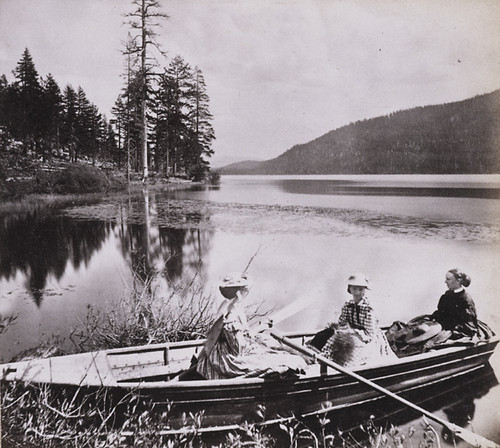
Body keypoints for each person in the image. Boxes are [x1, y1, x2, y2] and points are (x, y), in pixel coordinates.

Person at [195, 272, 307, 380]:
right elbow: (238, 349)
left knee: (278, 352)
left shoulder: (230, 305)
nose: (247, 292)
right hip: (228, 360)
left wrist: (256, 331)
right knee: (290, 361)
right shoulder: (232, 317)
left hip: (225, 351)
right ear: (239, 292)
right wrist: (254, 338)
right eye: (244, 289)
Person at [319, 273, 396, 368]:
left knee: (354, 353)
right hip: (349, 334)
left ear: (364, 290)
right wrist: (341, 327)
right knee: (329, 341)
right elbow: (342, 321)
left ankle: (347, 370)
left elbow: (370, 334)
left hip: (366, 339)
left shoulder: (368, 309)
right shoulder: (348, 305)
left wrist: (353, 332)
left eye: (360, 289)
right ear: (349, 289)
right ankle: (323, 364)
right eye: (354, 288)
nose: (357, 292)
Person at [430, 268, 479, 339]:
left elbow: (468, 323)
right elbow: (441, 312)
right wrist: (434, 318)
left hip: (459, 329)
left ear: (458, 281)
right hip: (443, 325)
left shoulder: (465, 299)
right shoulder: (447, 295)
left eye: (448, 279)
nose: (445, 282)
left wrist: (449, 328)